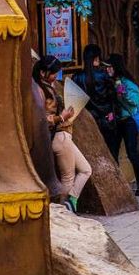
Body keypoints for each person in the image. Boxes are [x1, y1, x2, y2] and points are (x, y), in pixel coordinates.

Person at [32, 55, 92, 213]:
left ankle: (70, 204)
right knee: (68, 178)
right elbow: (41, 119)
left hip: (65, 136)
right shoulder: (39, 90)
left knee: (86, 169)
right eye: (53, 74)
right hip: (59, 137)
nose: (55, 77)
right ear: (43, 72)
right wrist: (61, 117)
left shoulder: (46, 87)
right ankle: (64, 213)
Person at [106, 54, 139, 196]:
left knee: (132, 153)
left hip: (129, 121)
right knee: (113, 153)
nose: (107, 69)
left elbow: (135, 102)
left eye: (110, 67)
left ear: (116, 67)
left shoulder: (129, 84)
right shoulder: (110, 82)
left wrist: (122, 92)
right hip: (117, 122)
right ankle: (117, 186)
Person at [73, 44, 119, 152]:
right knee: (110, 151)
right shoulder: (103, 75)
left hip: (88, 120)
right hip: (107, 119)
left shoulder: (77, 77)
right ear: (97, 58)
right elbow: (113, 95)